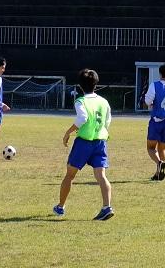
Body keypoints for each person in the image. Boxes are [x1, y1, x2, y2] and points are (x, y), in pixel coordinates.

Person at [55, 68, 115, 220]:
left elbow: (82, 118)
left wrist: (68, 132)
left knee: (70, 175)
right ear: (96, 84)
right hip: (100, 141)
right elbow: (108, 121)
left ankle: (60, 207)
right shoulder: (104, 101)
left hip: (84, 142)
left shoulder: (80, 101)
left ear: (80, 86)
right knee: (101, 175)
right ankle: (107, 206)